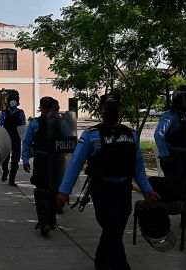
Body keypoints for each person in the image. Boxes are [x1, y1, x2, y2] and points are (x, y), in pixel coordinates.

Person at [56, 94, 160, 270]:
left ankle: (101, 261)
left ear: (121, 111)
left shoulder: (131, 135)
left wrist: (147, 190)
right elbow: (75, 163)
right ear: (101, 110)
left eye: (114, 108)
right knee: (112, 231)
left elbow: (138, 167)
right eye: (106, 108)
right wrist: (64, 191)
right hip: (102, 190)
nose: (110, 111)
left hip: (124, 190)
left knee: (115, 230)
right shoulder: (91, 135)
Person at [154, 85, 186, 231]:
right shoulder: (170, 115)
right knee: (171, 191)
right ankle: (161, 221)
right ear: (178, 99)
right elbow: (158, 134)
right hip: (174, 160)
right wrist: (165, 154)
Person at [22, 97, 72, 236]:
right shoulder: (35, 124)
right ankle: (43, 222)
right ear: (41, 108)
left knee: (54, 190)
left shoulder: (61, 123)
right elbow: (26, 142)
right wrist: (25, 160)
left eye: (49, 107)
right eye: (44, 107)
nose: (47, 110)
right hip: (41, 159)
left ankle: (51, 219)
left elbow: (70, 141)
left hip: (56, 160)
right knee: (41, 190)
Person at [0, 90, 26, 187]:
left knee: (15, 160)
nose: (13, 102)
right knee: (5, 159)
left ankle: (12, 179)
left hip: (16, 139)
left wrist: (24, 139)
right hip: (6, 139)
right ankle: (5, 171)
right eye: (11, 100)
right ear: (8, 102)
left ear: (18, 102)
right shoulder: (4, 113)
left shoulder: (21, 113)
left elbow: (23, 126)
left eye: (15, 100)